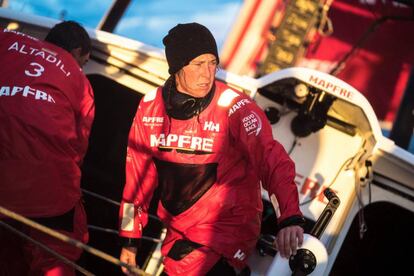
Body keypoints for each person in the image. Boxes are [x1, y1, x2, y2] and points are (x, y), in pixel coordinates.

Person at [118, 22, 304, 275]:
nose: (208, 73)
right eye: (198, 64)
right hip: (179, 232)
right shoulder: (149, 107)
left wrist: (290, 218)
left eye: (212, 62)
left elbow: (272, 160)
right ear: (177, 67)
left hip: (226, 231)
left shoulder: (236, 107)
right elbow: (137, 181)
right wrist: (130, 240)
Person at [0, 21, 94, 275]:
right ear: (76, 52)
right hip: (45, 193)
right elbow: (78, 149)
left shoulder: (7, 42)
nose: (82, 69)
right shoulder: (80, 82)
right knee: (58, 252)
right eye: (84, 63)